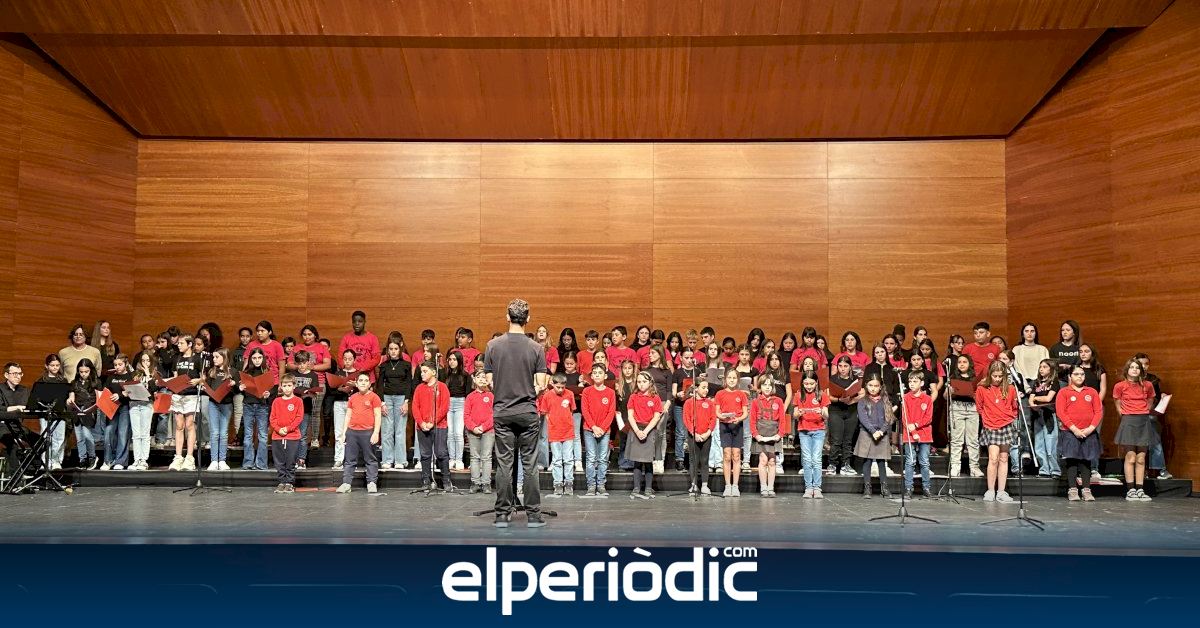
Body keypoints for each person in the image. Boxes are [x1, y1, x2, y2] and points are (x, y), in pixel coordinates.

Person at [483, 299, 550, 528]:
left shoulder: (493, 346)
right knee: (529, 465)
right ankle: (533, 515)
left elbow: (490, 382)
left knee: (504, 464)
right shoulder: (536, 348)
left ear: (507, 316)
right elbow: (541, 384)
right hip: (527, 412)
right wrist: (526, 390)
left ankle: (502, 514)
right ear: (528, 318)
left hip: (502, 411)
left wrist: (506, 390)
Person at [1112, 358, 1158, 502]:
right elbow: (1117, 403)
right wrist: (1125, 414)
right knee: (1131, 457)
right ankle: (1130, 489)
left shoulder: (1148, 385)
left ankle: (1140, 489)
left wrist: (1144, 411)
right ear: (1127, 370)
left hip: (1143, 421)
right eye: (1132, 367)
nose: (1134, 369)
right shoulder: (1120, 386)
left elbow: (1150, 400)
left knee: (1141, 458)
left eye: (1137, 367)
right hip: (1128, 420)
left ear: (1141, 371)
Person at [1056, 366, 1102, 502]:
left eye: (1082, 374)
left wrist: (1090, 428)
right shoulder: (1064, 392)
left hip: (1088, 432)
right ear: (1070, 376)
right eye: (1076, 374)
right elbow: (1061, 412)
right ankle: (1072, 490)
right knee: (1072, 460)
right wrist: (1074, 429)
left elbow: (1098, 411)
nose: (1080, 376)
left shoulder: (1091, 392)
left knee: (1086, 461)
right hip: (1070, 432)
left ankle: (1086, 490)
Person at [977, 361, 1019, 502]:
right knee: (993, 458)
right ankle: (990, 490)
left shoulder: (1010, 388)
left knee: (1004, 458)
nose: (997, 379)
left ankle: (1001, 491)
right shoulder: (982, 388)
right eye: (994, 376)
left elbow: (1014, 407)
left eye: (1000, 376)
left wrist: (1010, 416)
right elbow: (979, 407)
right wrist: (987, 419)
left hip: (1006, 424)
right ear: (990, 374)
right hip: (991, 425)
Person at [336, 372, 382, 494]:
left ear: (369, 384)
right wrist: (344, 433)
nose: (363, 383)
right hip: (352, 432)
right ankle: (346, 483)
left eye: (366, 381)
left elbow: (378, 415)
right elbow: (348, 416)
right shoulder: (353, 397)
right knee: (349, 459)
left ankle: (371, 483)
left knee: (370, 459)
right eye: (360, 380)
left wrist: (376, 432)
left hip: (367, 432)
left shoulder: (374, 397)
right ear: (356, 383)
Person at [412, 361, 452, 492]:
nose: (422, 374)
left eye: (425, 371)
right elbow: (415, 407)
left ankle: (446, 480)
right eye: (421, 371)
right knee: (425, 454)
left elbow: (444, 407)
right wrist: (421, 423)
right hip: (422, 426)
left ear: (434, 372)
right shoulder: (419, 388)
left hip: (439, 426)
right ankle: (426, 480)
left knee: (441, 453)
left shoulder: (442, 387)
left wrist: (432, 422)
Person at [625, 371, 662, 500]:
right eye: (639, 382)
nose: (641, 384)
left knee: (648, 461)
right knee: (637, 461)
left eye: (644, 381)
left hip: (649, 429)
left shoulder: (655, 398)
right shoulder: (633, 397)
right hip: (636, 429)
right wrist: (637, 431)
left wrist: (645, 431)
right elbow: (630, 416)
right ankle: (636, 488)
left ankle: (648, 488)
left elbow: (656, 417)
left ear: (650, 382)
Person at [580, 364, 615, 497]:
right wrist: (594, 427)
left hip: (604, 431)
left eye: (600, 372)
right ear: (592, 376)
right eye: (594, 373)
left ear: (605, 376)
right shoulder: (587, 391)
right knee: (591, 457)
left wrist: (602, 428)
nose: (597, 375)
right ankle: (591, 485)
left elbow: (611, 412)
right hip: (589, 429)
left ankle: (601, 484)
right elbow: (585, 411)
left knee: (602, 458)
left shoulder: (610, 392)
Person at [539, 373, 577, 496]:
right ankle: (558, 483)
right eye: (558, 387)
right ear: (552, 384)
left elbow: (571, 411)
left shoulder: (570, 394)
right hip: (554, 432)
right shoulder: (547, 396)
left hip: (568, 432)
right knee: (557, 460)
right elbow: (545, 413)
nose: (560, 390)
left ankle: (569, 483)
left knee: (568, 459)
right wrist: (552, 424)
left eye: (562, 387)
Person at [377, 340, 412, 470]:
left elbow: (409, 384)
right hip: (387, 399)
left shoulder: (406, 365)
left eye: (395, 349)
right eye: (391, 349)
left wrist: (406, 402)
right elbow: (379, 385)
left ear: (400, 350)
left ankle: (400, 460)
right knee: (387, 431)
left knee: (400, 430)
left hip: (401, 399)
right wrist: (382, 403)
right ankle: (387, 459)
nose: (393, 351)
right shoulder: (384, 365)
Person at [856, 375, 893, 498]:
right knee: (867, 460)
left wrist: (881, 431)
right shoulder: (862, 401)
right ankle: (867, 487)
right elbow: (863, 418)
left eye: (876, 386)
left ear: (880, 387)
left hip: (881, 434)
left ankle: (884, 487)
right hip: (867, 433)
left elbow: (888, 418)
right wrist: (873, 431)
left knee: (882, 461)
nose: (873, 388)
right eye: (870, 385)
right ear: (866, 386)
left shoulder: (885, 401)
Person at [946, 354, 982, 477]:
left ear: (969, 364)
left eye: (964, 362)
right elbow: (945, 397)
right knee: (957, 440)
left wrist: (975, 393)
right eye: (959, 362)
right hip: (957, 408)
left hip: (972, 409)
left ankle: (974, 467)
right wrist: (949, 391)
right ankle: (955, 466)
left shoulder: (975, 379)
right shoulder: (953, 377)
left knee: (973, 440)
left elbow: (980, 395)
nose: (961, 364)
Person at [715, 367, 749, 497]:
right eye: (729, 377)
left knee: (736, 455)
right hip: (725, 426)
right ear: (725, 379)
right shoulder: (720, 394)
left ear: (738, 380)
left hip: (737, 426)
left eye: (734, 378)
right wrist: (722, 416)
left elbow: (745, 413)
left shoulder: (741, 394)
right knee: (727, 455)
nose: (732, 380)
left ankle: (735, 486)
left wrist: (738, 419)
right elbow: (717, 411)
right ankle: (727, 485)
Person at [791, 374, 827, 498]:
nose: (809, 386)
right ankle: (808, 487)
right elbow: (795, 415)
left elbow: (826, 415)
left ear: (816, 382)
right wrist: (799, 413)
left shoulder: (822, 395)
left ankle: (817, 488)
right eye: (806, 384)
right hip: (804, 431)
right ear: (802, 383)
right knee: (807, 459)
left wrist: (821, 412)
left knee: (816, 459)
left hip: (818, 430)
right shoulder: (798, 395)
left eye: (811, 383)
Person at [900, 372, 934, 499]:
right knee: (910, 461)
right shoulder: (905, 398)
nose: (912, 384)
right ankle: (909, 488)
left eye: (915, 381)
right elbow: (905, 418)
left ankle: (926, 487)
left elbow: (928, 418)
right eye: (910, 381)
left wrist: (916, 425)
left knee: (924, 462)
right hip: (909, 435)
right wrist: (913, 433)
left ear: (922, 383)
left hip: (924, 434)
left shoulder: (928, 399)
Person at [239, 348, 273, 471]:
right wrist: (240, 388)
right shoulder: (247, 372)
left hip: (262, 406)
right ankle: (248, 462)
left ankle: (261, 463)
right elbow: (242, 390)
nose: (257, 360)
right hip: (248, 405)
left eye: (259, 358)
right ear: (250, 359)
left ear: (263, 359)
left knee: (262, 435)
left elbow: (271, 389)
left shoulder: (267, 372)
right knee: (248, 435)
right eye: (254, 358)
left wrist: (268, 394)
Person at [269, 373, 303, 493]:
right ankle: (281, 482)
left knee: (290, 460)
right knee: (279, 461)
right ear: (281, 387)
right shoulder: (276, 401)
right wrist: (279, 429)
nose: (287, 388)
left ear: (294, 386)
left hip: (292, 436)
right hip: (277, 436)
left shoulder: (298, 401)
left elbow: (299, 418)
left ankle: (289, 482)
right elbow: (272, 418)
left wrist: (287, 429)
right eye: (284, 386)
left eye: (289, 385)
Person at [1027, 359, 1061, 478]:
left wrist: (1036, 399)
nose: (1041, 369)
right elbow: (1030, 398)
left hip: (1049, 415)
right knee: (1039, 445)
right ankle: (1044, 469)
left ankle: (1055, 470)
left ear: (1051, 369)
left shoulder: (1054, 382)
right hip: (1038, 415)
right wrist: (1033, 404)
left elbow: (1048, 398)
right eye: (1040, 366)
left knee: (1051, 444)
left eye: (1045, 367)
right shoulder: (1037, 383)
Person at [203, 348, 236, 471]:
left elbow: (238, 390)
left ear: (224, 357)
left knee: (223, 433)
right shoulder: (212, 371)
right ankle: (214, 460)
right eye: (213, 357)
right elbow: (208, 388)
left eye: (217, 357)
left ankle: (222, 460)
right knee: (214, 432)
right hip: (213, 404)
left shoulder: (232, 371)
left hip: (226, 404)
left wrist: (234, 385)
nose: (214, 359)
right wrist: (204, 387)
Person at [681, 379, 715, 495]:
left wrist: (708, 433)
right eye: (703, 387)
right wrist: (694, 433)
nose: (706, 390)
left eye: (707, 387)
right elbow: (687, 419)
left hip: (706, 436)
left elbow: (713, 419)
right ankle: (694, 485)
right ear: (696, 388)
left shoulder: (710, 403)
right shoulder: (689, 403)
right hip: (693, 436)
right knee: (694, 460)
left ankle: (705, 485)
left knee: (704, 460)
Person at [67, 358, 101, 470]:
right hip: (77, 410)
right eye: (81, 372)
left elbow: (100, 398)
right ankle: (82, 459)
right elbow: (71, 396)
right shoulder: (74, 383)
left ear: (91, 370)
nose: (83, 374)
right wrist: (70, 400)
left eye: (86, 372)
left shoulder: (96, 382)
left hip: (89, 410)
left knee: (87, 434)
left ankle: (92, 457)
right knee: (79, 437)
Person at [463, 371, 495, 493]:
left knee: (486, 457)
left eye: (484, 377)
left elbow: (494, 415)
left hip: (488, 431)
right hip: (473, 431)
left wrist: (483, 427)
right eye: (479, 377)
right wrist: (474, 427)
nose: (481, 379)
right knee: (474, 457)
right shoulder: (470, 397)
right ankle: (475, 482)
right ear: (474, 380)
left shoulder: (491, 396)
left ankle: (486, 483)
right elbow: (466, 415)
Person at [100, 354, 132, 470]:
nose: (117, 367)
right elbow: (105, 391)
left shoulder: (130, 376)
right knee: (109, 432)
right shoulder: (111, 378)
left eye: (120, 364)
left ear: (126, 364)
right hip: (112, 408)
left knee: (123, 433)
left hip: (124, 407)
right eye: (115, 365)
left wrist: (120, 395)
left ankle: (120, 461)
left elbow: (131, 393)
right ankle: (108, 460)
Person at [442, 350, 471, 471]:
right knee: (450, 433)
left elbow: (468, 393)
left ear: (459, 361)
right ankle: (451, 459)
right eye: (450, 359)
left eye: (454, 359)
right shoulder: (445, 374)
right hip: (448, 403)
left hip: (460, 403)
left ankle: (459, 459)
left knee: (458, 433)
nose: (452, 362)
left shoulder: (465, 375)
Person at [338, 311, 381, 382]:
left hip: (367, 377)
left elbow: (376, 358)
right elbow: (340, 357)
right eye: (354, 322)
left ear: (364, 322)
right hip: (350, 377)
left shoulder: (372, 338)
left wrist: (363, 368)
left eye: (360, 321)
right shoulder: (346, 338)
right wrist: (348, 368)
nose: (357, 324)